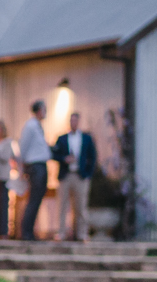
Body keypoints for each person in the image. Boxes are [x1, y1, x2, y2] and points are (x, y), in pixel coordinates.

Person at [53, 111, 98, 242]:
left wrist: (88, 174)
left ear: (78, 122)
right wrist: (64, 159)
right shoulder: (61, 138)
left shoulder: (86, 138)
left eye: (75, 120)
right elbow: (54, 154)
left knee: (81, 206)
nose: (73, 123)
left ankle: (82, 233)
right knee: (62, 205)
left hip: (80, 176)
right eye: (71, 120)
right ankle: (61, 232)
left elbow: (93, 156)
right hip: (66, 175)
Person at [16, 100, 51, 241]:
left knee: (37, 199)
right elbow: (23, 147)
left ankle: (29, 231)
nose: (45, 112)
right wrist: (21, 167)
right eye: (44, 109)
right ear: (38, 110)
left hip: (40, 165)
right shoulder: (30, 126)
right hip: (35, 166)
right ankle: (26, 232)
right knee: (34, 199)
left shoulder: (37, 126)